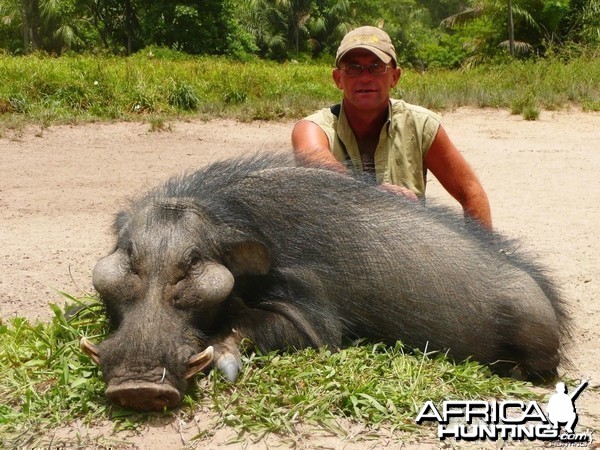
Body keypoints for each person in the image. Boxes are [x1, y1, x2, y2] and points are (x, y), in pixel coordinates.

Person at [291, 26, 492, 230]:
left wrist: (484, 258)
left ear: (395, 77)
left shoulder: (421, 126)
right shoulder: (312, 128)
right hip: (338, 253)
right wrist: (374, 193)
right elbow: (317, 166)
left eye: (377, 66)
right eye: (353, 68)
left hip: (407, 252)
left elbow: (471, 192)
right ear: (338, 79)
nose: (365, 77)